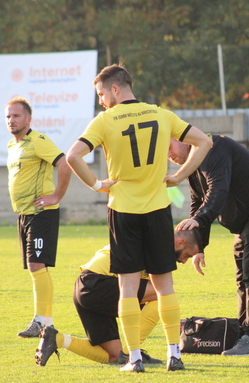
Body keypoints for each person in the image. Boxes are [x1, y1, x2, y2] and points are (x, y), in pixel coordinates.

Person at [66, 64, 212, 373]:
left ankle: (134, 360)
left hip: (123, 211)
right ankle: (175, 355)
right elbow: (205, 142)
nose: (102, 101)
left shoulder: (105, 120)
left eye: (102, 94)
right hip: (158, 210)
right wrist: (181, 175)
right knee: (164, 287)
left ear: (115, 89)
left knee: (129, 289)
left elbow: (72, 156)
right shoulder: (161, 114)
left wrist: (96, 184)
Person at [168, 134, 249, 356]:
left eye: (168, 147)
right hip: (247, 220)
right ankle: (242, 333)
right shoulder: (192, 165)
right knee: (241, 275)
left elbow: (218, 189)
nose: (169, 155)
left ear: (181, 137)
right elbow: (199, 201)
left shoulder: (215, 148)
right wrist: (200, 246)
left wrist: (200, 219)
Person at [35, 230, 203, 367]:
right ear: (180, 242)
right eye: (187, 255)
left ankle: (57, 338)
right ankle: (134, 352)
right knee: (162, 295)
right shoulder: (157, 245)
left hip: (84, 287)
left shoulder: (155, 244)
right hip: (97, 283)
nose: (183, 261)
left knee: (114, 355)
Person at [6, 97, 71, 338]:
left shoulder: (38, 141)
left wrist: (56, 196)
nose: (11, 120)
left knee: (36, 265)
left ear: (28, 119)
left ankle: (39, 321)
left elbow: (64, 164)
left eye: (16, 116)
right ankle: (47, 323)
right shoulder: (12, 146)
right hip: (24, 215)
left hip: (41, 214)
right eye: (8, 117)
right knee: (36, 268)